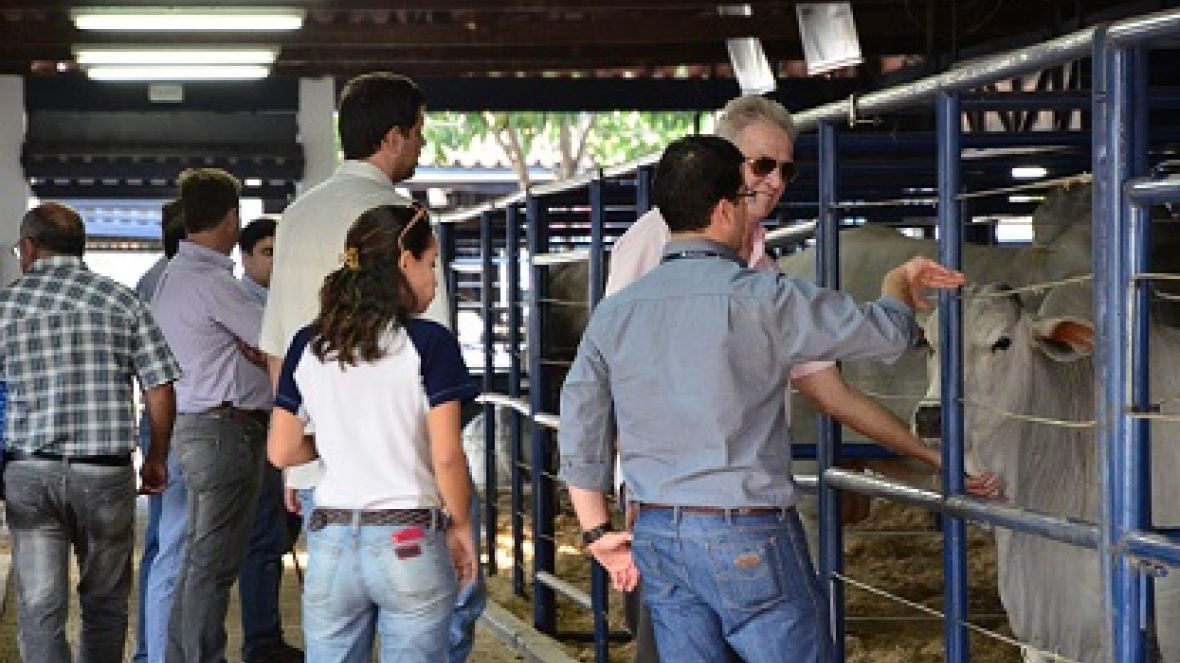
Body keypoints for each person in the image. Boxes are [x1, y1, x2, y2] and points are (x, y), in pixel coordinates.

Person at [606, 95, 1000, 663]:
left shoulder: (762, 266)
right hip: (701, 513)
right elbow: (620, 370)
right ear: (720, 163)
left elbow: (828, 390)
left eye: (786, 169)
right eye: (760, 165)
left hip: (688, 515)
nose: (775, 181)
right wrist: (894, 294)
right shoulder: (659, 239)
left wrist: (932, 456)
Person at [259, 71, 485, 662]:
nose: (421, 147)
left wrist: (306, 460)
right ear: (392, 137)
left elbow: (277, 350)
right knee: (444, 614)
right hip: (408, 503)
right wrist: (460, 526)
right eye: (417, 134)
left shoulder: (298, 216)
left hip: (329, 494)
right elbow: (443, 444)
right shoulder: (402, 221)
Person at [0, 202, 180, 663]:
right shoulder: (123, 301)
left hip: (29, 472)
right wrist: (157, 455)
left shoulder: (7, 305)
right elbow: (158, 387)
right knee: (104, 601)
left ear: (29, 247)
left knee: (40, 606)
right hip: (104, 475)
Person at [148, 168, 268, 663]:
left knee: (193, 559)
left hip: (194, 428)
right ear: (233, 220)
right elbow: (276, 340)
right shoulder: (214, 283)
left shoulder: (176, 275)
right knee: (211, 566)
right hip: (222, 431)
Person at [237, 216, 304, 663]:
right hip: (258, 427)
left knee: (283, 531)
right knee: (263, 536)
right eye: (267, 252)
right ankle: (261, 641)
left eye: (282, 251)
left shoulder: (292, 303)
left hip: (292, 427)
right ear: (245, 257)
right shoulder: (241, 302)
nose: (277, 261)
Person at [131, 198, 186, 663]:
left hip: (158, 422)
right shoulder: (174, 281)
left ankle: (149, 649)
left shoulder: (151, 279)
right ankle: (157, 651)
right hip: (176, 422)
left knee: (159, 544)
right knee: (173, 544)